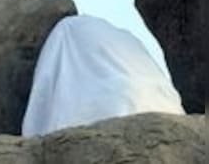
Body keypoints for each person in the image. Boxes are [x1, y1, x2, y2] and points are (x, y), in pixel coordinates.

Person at [21, 14, 184, 136]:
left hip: (116, 110)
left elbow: (43, 92)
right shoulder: (124, 38)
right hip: (169, 108)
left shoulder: (67, 29)